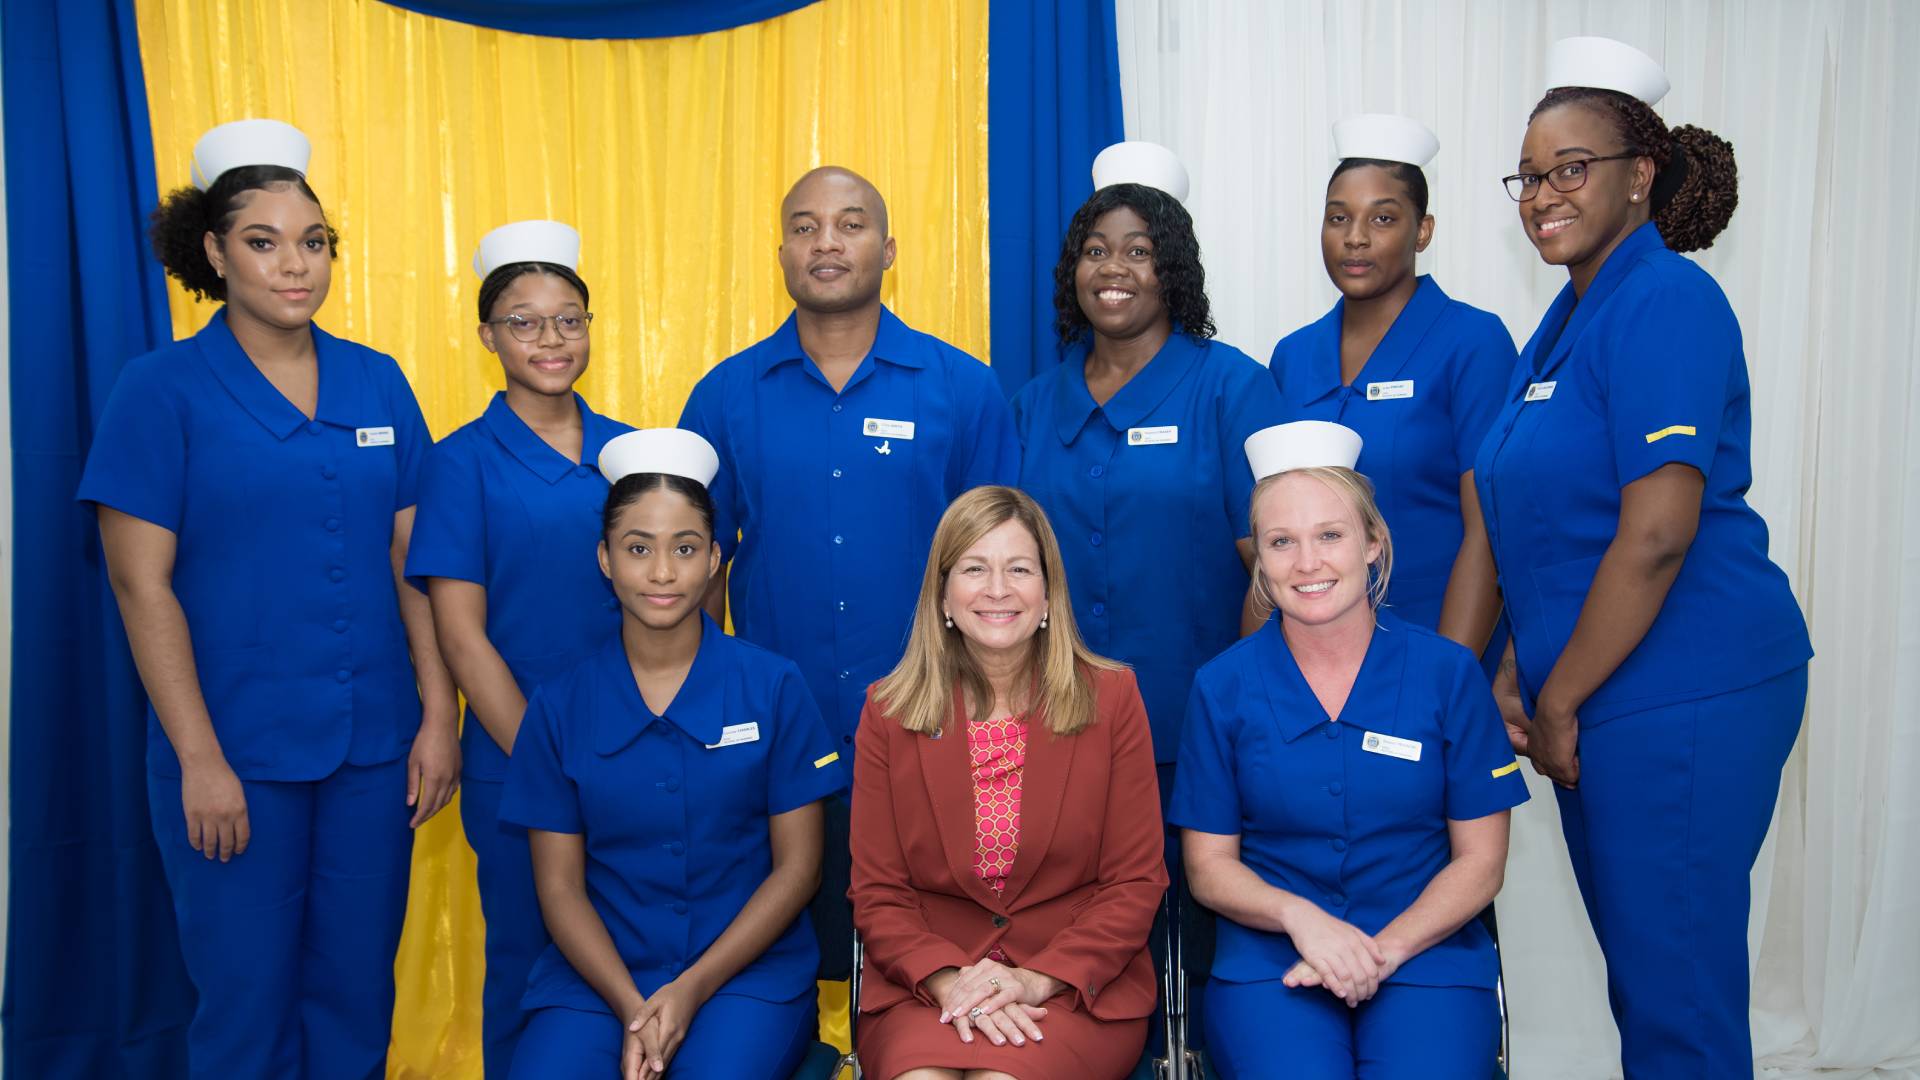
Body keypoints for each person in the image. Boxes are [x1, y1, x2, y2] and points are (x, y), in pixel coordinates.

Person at [77, 119, 459, 1078]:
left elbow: (414, 563)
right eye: (264, 241)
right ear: (213, 250)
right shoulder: (159, 389)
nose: (297, 266)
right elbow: (139, 583)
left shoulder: (376, 381)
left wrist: (438, 716)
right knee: (245, 1005)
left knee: (356, 993)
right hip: (233, 756)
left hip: (374, 752)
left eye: (314, 242)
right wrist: (200, 759)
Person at [1478, 37, 1813, 1076]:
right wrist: (1513, 670)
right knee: (1655, 977)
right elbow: (1538, 524)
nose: (1542, 195)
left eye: (1570, 168)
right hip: (1613, 683)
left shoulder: (1666, 300)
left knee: (1676, 992)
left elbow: (1659, 533)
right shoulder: (1571, 318)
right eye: (1530, 175)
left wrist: (1562, 693)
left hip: (1685, 687)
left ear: (1642, 173)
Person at [678, 165, 1021, 994]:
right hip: (772, 735)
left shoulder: (962, 389)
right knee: (787, 966)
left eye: (850, 224)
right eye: (804, 226)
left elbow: (1006, 573)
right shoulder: (726, 396)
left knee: (932, 963)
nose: (826, 242)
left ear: (889, 247)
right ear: (782, 251)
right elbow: (690, 570)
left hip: (933, 725)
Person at [1010, 141, 1284, 1052]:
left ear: (1174, 266)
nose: (1114, 269)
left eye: (1138, 249)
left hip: (1191, 725)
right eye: (1096, 248)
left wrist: (1234, 700)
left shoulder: (1232, 387)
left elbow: (1273, 562)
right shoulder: (1031, 405)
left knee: (1195, 937)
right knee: (1072, 936)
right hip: (1056, 725)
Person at [1172, 421, 1528, 1079]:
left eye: (1330, 535)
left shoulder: (1448, 675)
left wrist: (1382, 951)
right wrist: (1301, 919)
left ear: (1373, 542)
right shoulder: (1222, 688)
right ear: (1260, 558)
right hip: (1272, 962)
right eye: (1281, 542)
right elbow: (1210, 868)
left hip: (1428, 955)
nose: (1308, 564)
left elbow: (1481, 861)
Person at [500, 429, 845, 1078]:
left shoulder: (773, 688)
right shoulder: (559, 705)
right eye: (638, 549)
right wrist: (634, 1008)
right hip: (598, 980)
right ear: (605, 559)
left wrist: (690, 989)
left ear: (715, 558)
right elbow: (559, 888)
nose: (662, 573)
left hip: (746, 975)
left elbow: (798, 871)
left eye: (685, 549)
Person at [404, 220, 632, 1075]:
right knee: (532, 969)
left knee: (638, 958)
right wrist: (554, 766)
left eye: (569, 318)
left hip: (636, 752)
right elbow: (462, 636)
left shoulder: (631, 452)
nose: (551, 339)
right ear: (487, 336)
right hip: (521, 766)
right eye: (525, 321)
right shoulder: (460, 463)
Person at [850, 486, 1167, 1080]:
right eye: (974, 568)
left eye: (1018, 568)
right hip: (929, 988)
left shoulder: (1114, 698)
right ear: (943, 594)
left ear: (1048, 593)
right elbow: (878, 892)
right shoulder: (887, 711)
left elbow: (1134, 882)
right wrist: (951, 984)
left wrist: (1031, 980)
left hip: (1072, 988)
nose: (997, 589)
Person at [1269, 115, 1514, 657]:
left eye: (1383, 218)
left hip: (1435, 643)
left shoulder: (1472, 341)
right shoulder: (1293, 356)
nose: (1355, 237)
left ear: (1422, 230)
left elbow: (1492, 532)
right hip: (1310, 655)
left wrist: (1450, 680)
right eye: (1339, 218)